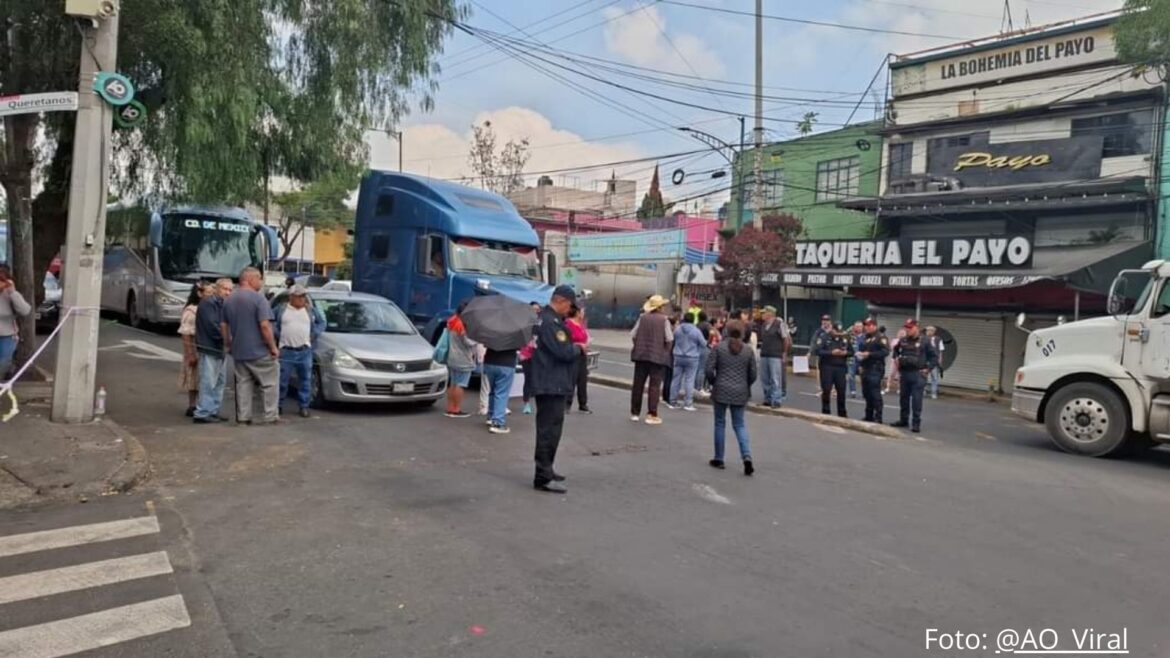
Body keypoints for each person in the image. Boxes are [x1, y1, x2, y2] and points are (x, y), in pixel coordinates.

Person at [529, 285, 584, 494]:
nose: (569, 310)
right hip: (551, 382)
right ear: (560, 301)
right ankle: (542, 476)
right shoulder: (551, 323)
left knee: (553, 429)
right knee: (548, 431)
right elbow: (563, 352)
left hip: (550, 381)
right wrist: (578, 348)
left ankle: (548, 468)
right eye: (569, 306)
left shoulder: (546, 319)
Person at [222, 267, 281, 425]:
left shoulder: (229, 299)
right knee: (269, 383)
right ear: (250, 279)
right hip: (259, 351)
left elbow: (224, 325)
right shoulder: (259, 299)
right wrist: (273, 347)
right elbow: (265, 326)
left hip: (239, 351)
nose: (261, 282)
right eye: (259, 278)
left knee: (243, 384)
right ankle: (270, 415)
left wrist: (228, 343)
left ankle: (243, 416)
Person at [706, 321, 756, 476]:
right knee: (739, 425)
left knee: (720, 423)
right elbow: (753, 374)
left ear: (726, 331)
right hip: (740, 391)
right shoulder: (748, 351)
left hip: (721, 389)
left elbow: (709, 369)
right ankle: (746, 456)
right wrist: (745, 384)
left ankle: (719, 458)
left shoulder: (719, 348)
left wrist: (715, 382)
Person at [273, 286, 325, 418]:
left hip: (305, 350)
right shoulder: (281, 309)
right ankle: (278, 405)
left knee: (305, 380)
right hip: (286, 350)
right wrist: (277, 334)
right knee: (282, 381)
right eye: (300, 296)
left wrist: (314, 334)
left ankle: (304, 406)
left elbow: (322, 323)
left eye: (304, 296)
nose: (303, 299)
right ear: (291, 297)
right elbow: (270, 321)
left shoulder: (310, 310)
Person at [193, 278, 233, 424]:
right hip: (210, 347)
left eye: (230, 290)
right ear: (217, 289)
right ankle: (203, 412)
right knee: (208, 381)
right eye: (225, 289)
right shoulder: (208, 304)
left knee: (220, 382)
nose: (228, 292)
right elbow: (213, 327)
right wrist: (228, 338)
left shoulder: (223, 304)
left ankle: (213, 410)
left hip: (220, 348)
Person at [629, 295, 673, 425]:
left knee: (638, 385)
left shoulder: (642, 318)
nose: (664, 308)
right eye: (663, 306)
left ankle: (635, 413)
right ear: (659, 307)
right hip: (657, 357)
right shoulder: (664, 320)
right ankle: (651, 413)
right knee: (654, 386)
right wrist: (665, 352)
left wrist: (638, 346)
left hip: (641, 356)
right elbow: (669, 339)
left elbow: (634, 335)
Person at [891, 318, 938, 433]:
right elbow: (895, 351)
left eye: (910, 328)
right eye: (906, 328)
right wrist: (896, 358)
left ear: (916, 327)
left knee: (916, 400)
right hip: (905, 373)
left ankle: (916, 423)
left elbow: (934, 357)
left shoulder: (925, 340)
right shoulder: (903, 340)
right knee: (903, 398)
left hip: (918, 374)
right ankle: (903, 420)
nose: (908, 330)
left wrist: (928, 369)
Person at [178, 282, 208, 417]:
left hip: (203, 347)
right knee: (193, 377)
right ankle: (192, 405)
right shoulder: (191, 311)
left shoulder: (205, 308)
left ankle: (201, 404)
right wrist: (190, 354)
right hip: (194, 348)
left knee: (201, 378)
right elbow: (185, 334)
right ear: (199, 293)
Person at [443, 302, 478, 418]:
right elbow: (468, 342)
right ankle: (456, 409)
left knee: (453, 383)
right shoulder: (462, 325)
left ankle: (449, 408)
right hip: (463, 358)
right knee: (460, 384)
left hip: (452, 356)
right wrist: (477, 339)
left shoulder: (452, 321)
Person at [667, 313, 705, 411]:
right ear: (693, 320)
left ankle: (672, 402)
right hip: (692, 357)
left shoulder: (678, 329)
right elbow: (703, 343)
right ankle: (688, 403)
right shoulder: (696, 331)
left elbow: (672, 340)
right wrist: (698, 352)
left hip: (678, 356)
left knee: (675, 379)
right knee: (689, 380)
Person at [0, 265, 32, 381]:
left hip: (7, 335)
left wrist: (13, 292)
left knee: (3, 363)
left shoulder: (9, 294)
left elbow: (25, 310)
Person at [856, 318, 889, 423]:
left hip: (875, 368)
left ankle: (878, 416)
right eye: (866, 325)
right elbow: (861, 350)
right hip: (866, 368)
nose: (867, 327)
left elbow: (885, 352)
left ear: (874, 326)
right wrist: (861, 364)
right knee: (866, 393)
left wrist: (870, 354)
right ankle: (868, 415)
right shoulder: (866, 337)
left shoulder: (881, 337)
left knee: (875, 393)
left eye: (869, 325)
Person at [816, 322, 852, 417]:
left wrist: (845, 353)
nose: (838, 334)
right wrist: (831, 352)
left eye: (839, 332)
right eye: (836, 331)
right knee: (826, 389)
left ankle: (842, 412)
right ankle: (826, 410)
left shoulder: (845, 338)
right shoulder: (824, 337)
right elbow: (818, 351)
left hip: (840, 367)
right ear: (832, 329)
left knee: (841, 390)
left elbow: (851, 351)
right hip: (827, 366)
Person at [757, 305, 790, 408]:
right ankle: (767, 398)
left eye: (764, 313)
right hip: (765, 354)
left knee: (775, 378)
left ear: (770, 314)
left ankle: (776, 399)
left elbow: (785, 339)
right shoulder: (764, 325)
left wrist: (784, 353)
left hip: (775, 355)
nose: (762, 315)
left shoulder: (780, 324)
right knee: (765, 378)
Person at [564, 304, 592, 414]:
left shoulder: (581, 324)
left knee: (582, 379)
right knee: (571, 379)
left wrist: (586, 345)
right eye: (582, 311)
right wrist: (579, 345)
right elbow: (566, 341)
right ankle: (567, 403)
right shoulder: (568, 324)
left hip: (582, 355)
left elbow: (585, 337)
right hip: (573, 354)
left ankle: (583, 403)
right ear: (577, 312)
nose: (583, 314)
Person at [694, 312, 712, 395]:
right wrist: (709, 342)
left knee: (697, 368)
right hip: (704, 346)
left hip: (696, 347)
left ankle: (695, 386)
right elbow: (712, 333)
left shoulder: (697, 325)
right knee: (702, 368)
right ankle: (700, 387)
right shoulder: (707, 325)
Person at [925, 325, 945, 400]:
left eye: (931, 330)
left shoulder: (938, 339)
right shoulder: (923, 338)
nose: (929, 332)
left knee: (934, 377)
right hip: (925, 360)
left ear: (934, 332)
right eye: (928, 330)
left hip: (934, 361)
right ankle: (923, 390)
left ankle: (933, 392)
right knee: (923, 376)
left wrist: (940, 360)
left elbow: (940, 350)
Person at [884, 328, 906, 395]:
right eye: (900, 333)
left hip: (903, 360)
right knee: (891, 373)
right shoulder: (894, 340)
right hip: (894, 358)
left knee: (900, 375)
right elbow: (892, 348)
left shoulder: (906, 341)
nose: (901, 335)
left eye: (903, 333)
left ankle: (899, 388)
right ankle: (888, 387)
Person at [846, 321, 865, 398]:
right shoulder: (850, 336)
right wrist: (850, 329)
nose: (858, 328)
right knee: (851, 374)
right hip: (852, 358)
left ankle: (865, 392)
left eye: (860, 326)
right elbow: (844, 334)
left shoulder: (865, 337)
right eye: (856, 326)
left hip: (862, 359)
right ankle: (852, 391)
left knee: (863, 376)